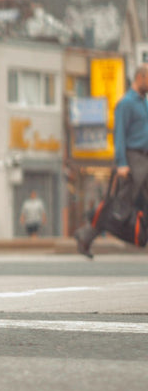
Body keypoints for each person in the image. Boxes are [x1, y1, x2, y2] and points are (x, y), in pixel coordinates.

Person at [74, 64, 148, 259]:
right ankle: (86, 235)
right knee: (118, 205)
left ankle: (86, 235)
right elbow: (119, 135)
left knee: (121, 205)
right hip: (133, 160)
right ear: (140, 77)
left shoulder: (144, 103)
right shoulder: (125, 103)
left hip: (145, 158)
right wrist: (121, 163)